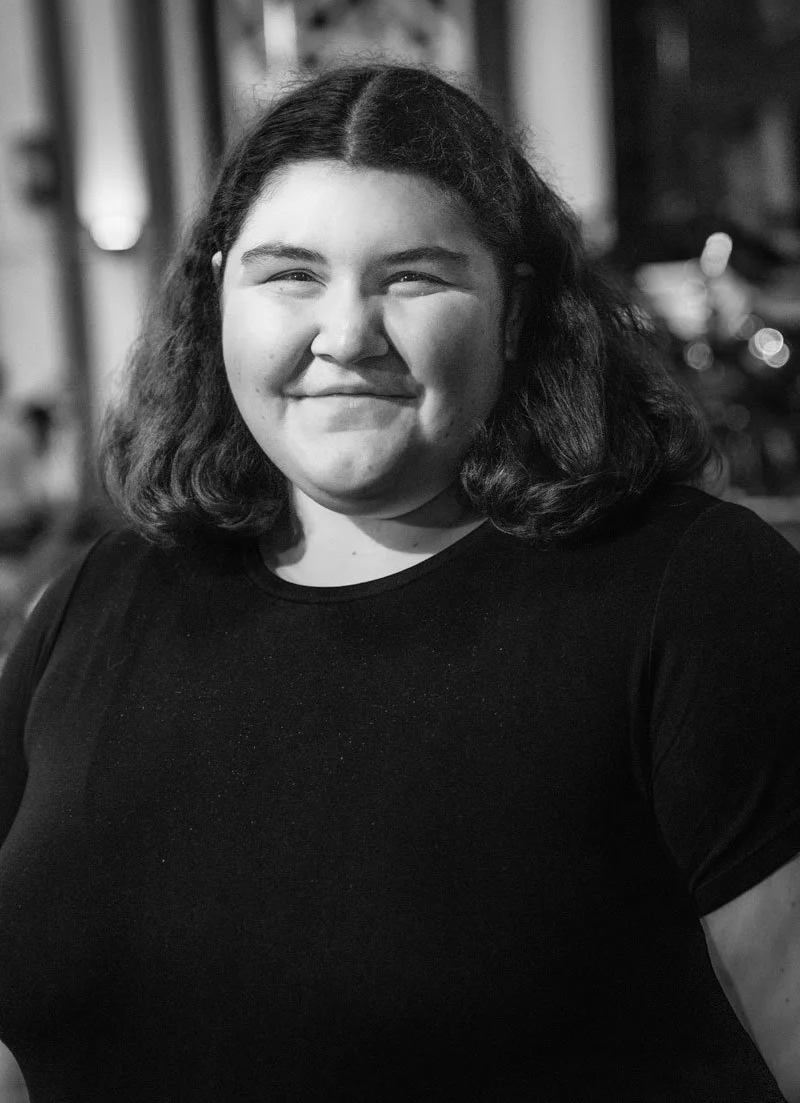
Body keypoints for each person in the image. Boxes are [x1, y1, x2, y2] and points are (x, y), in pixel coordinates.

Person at [0, 63, 798, 1103]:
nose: (345, 336)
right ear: (215, 296)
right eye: (288, 274)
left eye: (412, 278)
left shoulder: (690, 595)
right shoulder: (100, 599)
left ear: (514, 312)